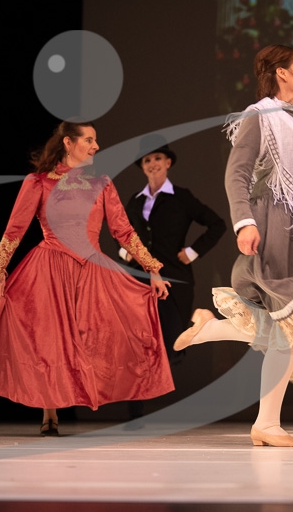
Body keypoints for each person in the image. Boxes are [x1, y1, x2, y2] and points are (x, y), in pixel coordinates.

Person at [172, 44, 293, 447]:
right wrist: (245, 222)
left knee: (287, 325)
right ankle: (266, 423)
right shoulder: (261, 117)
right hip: (275, 228)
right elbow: (237, 174)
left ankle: (212, 331)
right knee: (291, 325)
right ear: (281, 73)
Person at [0, 120, 174, 436]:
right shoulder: (38, 183)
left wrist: (153, 269)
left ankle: (87, 395)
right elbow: (15, 230)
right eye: (89, 140)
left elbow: (123, 230)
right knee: (49, 340)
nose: (96, 146)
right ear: (68, 142)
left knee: (97, 337)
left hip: (91, 269)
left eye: (95, 140)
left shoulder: (101, 184)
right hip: (50, 269)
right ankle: (49, 410)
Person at [120, 136, 226, 425]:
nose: (152, 163)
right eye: (147, 160)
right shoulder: (135, 200)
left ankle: (181, 405)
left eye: (157, 158)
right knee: (138, 344)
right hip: (139, 280)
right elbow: (122, 232)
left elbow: (217, 224)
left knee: (172, 343)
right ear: (142, 167)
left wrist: (192, 252)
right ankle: (135, 411)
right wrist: (125, 251)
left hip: (173, 279)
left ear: (167, 162)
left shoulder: (181, 197)